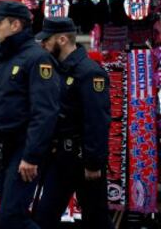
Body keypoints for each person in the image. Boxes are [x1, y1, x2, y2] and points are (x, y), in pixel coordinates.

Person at [0, 1, 60, 229]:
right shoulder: (2, 59)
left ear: (15, 24)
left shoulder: (37, 59)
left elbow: (45, 112)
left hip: (23, 149)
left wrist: (31, 155)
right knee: (5, 216)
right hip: (1, 148)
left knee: (12, 217)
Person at [34, 17, 114, 229]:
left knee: (95, 219)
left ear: (61, 39)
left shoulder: (90, 72)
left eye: (46, 40)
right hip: (61, 158)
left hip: (84, 159)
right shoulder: (58, 69)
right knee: (44, 216)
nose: (43, 45)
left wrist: (93, 162)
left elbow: (97, 120)